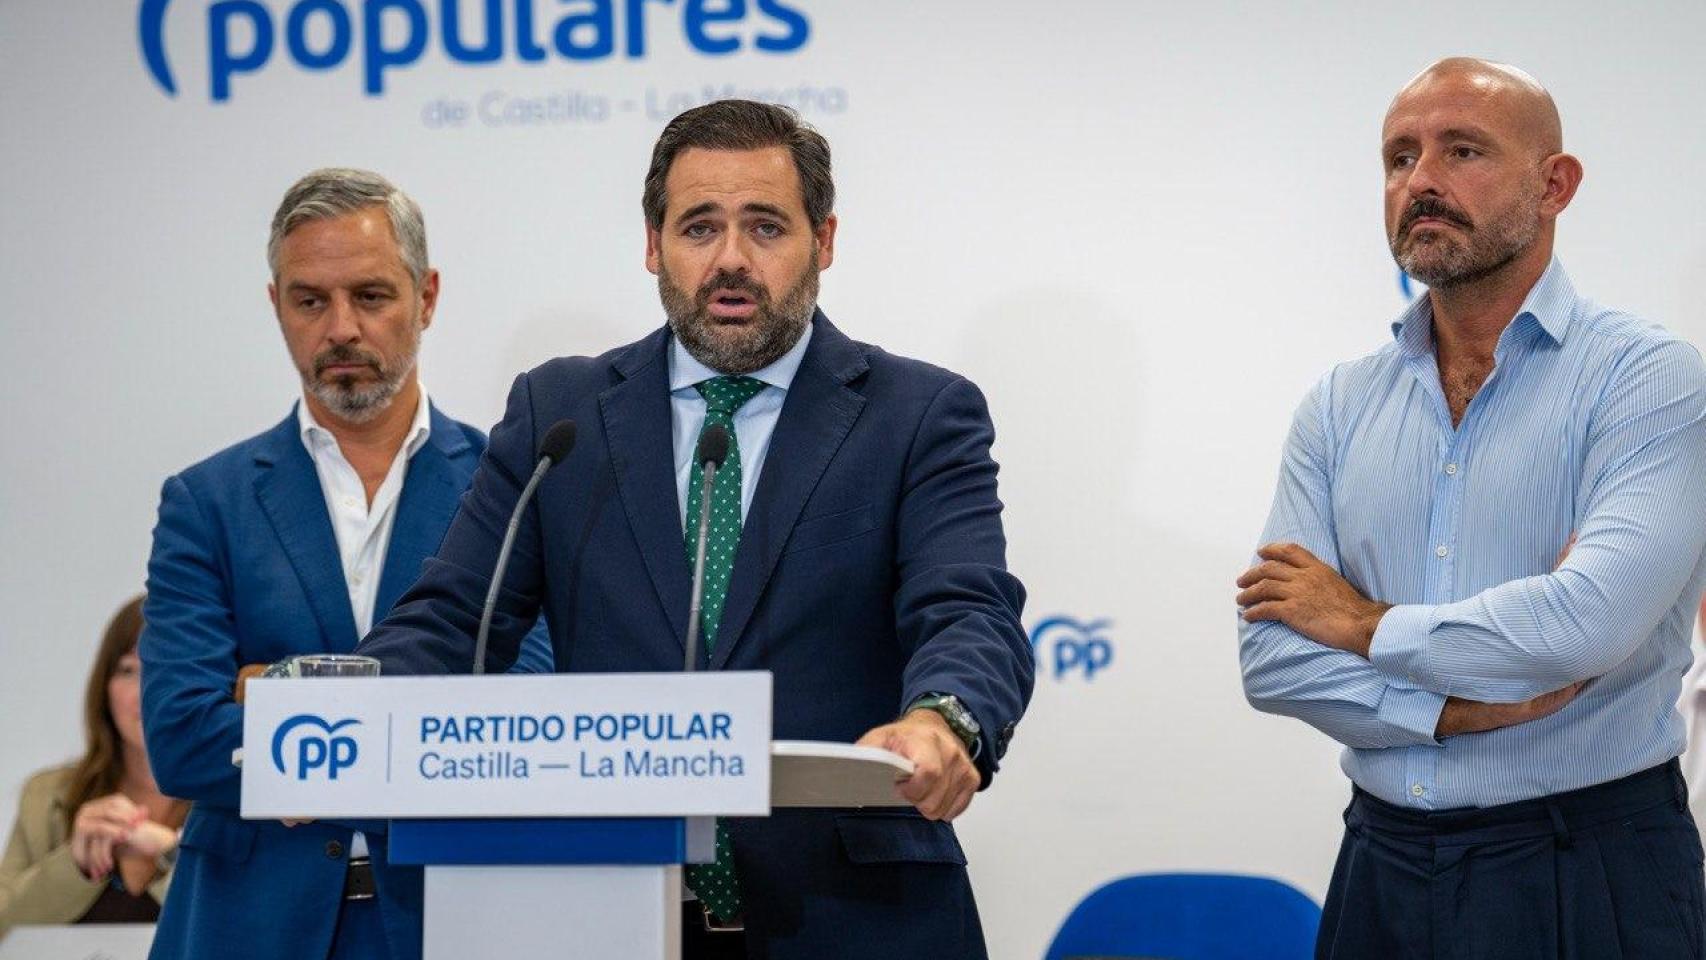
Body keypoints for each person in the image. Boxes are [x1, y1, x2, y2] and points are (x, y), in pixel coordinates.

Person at [356, 100, 1033, 959]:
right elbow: (455, 620)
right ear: (654, 244)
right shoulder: (560, 415)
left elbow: (968, 610)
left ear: (823, 241)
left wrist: (943, 719)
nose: (731, 259)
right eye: (699, 227)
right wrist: (334, 707)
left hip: (855, 917)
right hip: (610, 914)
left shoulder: (917, 414)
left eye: (766, 227)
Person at [1237, 57, 1706, 957]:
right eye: (1399, 157)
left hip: (1587, 861)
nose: (1421, 180)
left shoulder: (1648, 380)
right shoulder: (1338, 405)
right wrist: (1450, 712)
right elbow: (1273, 659)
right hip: (1379, 859)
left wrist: (1360, 622)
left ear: (1554, 184)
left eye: (1462, 150)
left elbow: (1579, 629)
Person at [139, 168, 553, 960]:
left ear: (426, 297)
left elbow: (518, 715)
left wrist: (280, 694)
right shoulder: (206, 500)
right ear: (276, 306)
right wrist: (411, 737)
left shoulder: (510, 485)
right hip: (249, 930)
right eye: (309, 301)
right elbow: (183, 735)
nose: (340, 329)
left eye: (370, 296)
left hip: (453, 920)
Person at [0, 596, 186, 939]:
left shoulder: (239, 798)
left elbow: (254, 934)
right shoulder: (48, 797)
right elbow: (4, 928)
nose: (146, 693)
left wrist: (172, 853)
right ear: (104, 687)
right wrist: (72, 866)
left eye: (169, 669)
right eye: (129, 670)